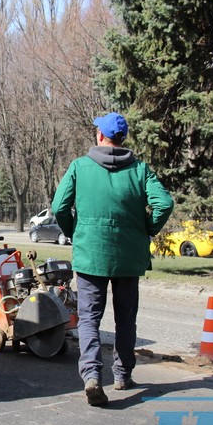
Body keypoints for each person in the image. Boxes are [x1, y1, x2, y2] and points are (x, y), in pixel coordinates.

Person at [51, 112, 174, 407]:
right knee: (125, 318)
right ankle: (122, 375)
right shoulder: (140, 170)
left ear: (99, 136)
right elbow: (164, 203)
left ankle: (92, 376)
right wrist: (147, 229)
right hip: (128, 258)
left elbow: (59, 206)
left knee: (90, 318)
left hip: (90, 255)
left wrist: (74, 232)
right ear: (122, 139)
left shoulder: (80, 167)